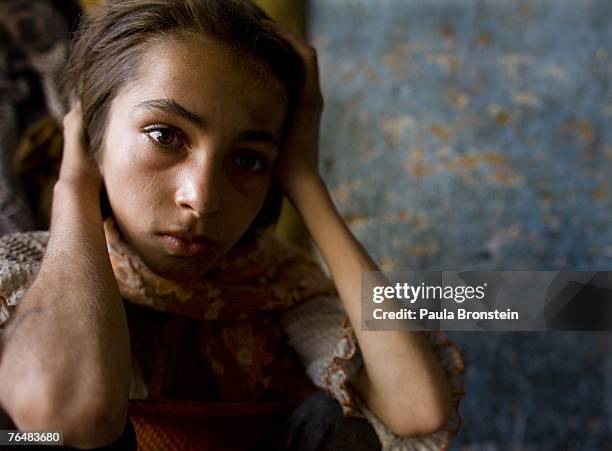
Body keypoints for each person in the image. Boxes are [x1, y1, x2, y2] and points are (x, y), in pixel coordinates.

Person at [0, 0, 464, 449]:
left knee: (346, 422)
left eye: (247, 160)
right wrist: (76, 184)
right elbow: (68, 417)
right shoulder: (27, 273)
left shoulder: (267, 285)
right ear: (93, 136)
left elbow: (416, 410)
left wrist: (304, 180)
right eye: (165, 135)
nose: (201, 199)